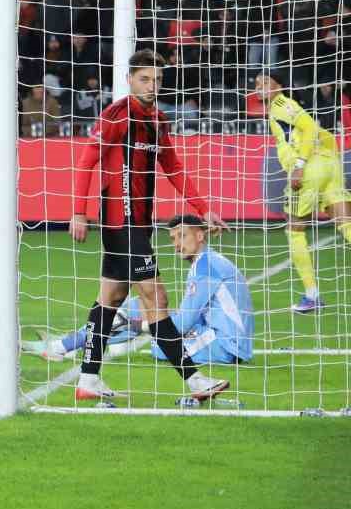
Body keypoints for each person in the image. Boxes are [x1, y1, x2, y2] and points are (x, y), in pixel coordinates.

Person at [68, 50, 229, 403]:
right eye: (145, 79)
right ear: (129, 79)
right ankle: (195, 380)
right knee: (156, 297)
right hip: (119, 221)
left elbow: (173, 167)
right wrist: (78, 212)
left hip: (140, 224)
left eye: (157, 79)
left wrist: (203, 209)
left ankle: (88, 380)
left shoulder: (158, 119)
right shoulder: (115, 115)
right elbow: (86, 160)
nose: (152, 86)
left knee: (111, 297)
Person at [24, 216, 253, 369]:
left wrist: (139, 326)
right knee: (138, 306)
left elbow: (183, 324)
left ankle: (67, 346)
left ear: (200, 236)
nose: (176, 244)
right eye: (173, 238)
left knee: (160, 346)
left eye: (183, 236)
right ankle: (68, 345)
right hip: (212, 332)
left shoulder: (206, 267)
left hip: (225, 345)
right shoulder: (208, 261)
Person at [256, 71, 351, 313]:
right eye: (257, 83)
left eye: (265, 82)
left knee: (294, 231)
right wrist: (328, 157)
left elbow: (309, 127)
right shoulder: (282, 107)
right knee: (346, 224)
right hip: (329, 164)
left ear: (279, 86)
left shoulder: (281, 105)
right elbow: (322, 134)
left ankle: (312, 295)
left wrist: (300, 165)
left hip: (309, 169)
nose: (259, 87)